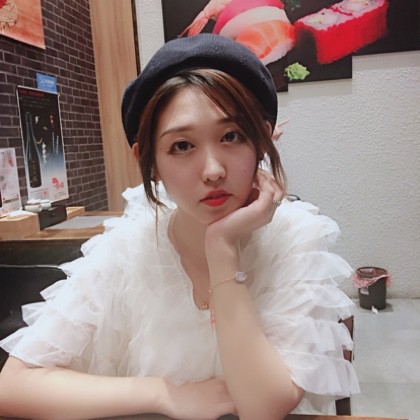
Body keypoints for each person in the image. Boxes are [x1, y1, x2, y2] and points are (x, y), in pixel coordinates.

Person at [0, 34, 359, 419]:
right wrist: (163, 394)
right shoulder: (128, 249)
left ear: (261, 140)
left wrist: (221, 248)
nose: (213, 171)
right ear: (148, 161)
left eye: (231, 136)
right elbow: (13, 385)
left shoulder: (294, 237)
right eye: (182, 146)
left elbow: (262, 410)